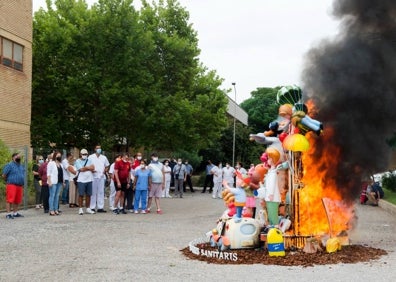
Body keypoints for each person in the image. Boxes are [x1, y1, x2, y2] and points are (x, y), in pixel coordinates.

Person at [2, 153, 25, 219]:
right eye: (17, 156)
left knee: (17, 200)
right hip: (11, 184)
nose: (18, 157)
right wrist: (9, 180)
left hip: (19, 185)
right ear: (13, 158)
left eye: (19, 156)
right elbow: (4, 175)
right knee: (10, 199)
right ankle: (8, 214)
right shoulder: (9, 165)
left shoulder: (21, 166)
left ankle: (15, 213)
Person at [262, 147, 281, 225]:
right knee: (270, 215)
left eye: (269, 158)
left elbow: (272, 185)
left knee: (273, 216)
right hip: (270, 197)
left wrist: (271, 194)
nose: (268, 160)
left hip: (272, 197)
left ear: (273, 159)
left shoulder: (273, 172)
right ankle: (272, 228)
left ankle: (275, 229)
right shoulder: (271, 171)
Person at [89, 145, 110, 213]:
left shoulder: (104, 157)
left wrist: (105, 171)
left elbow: (107, 166)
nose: (99, 149)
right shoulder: (91, 157)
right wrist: (91, 170)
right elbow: (87, 166)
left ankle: (100, 207)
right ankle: (92, 207)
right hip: (93, 176)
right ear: (95, 149)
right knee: (93, 192)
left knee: (101, 192)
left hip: (101, 176)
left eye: (100, 148)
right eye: (97, 148)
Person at [75, 148, 96, 215]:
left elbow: (93, 168)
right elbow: (81, 169)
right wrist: (88, 168)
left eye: (86, 154)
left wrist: (86, 168)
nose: (85, 155)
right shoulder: (77, 161)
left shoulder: (90, 160)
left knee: (88, 195)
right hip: (81, 180)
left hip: (89, 179)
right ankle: (80, 209)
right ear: (81, 154)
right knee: (81, 194)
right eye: (83, 154)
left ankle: (88, 208)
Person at [47, 150, 63, 216]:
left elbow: (62, 174)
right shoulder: (51, 163)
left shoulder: (61, 164)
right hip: (53, 182)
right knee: (52, 196)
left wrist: (63, 181)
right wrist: (49, 181)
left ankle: (56, 209)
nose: (59, 157)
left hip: (59, 182)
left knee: (57, 196)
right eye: (57, 155)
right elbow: (48, 173)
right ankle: (51, 210)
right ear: (54, 156)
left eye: (60, 156)